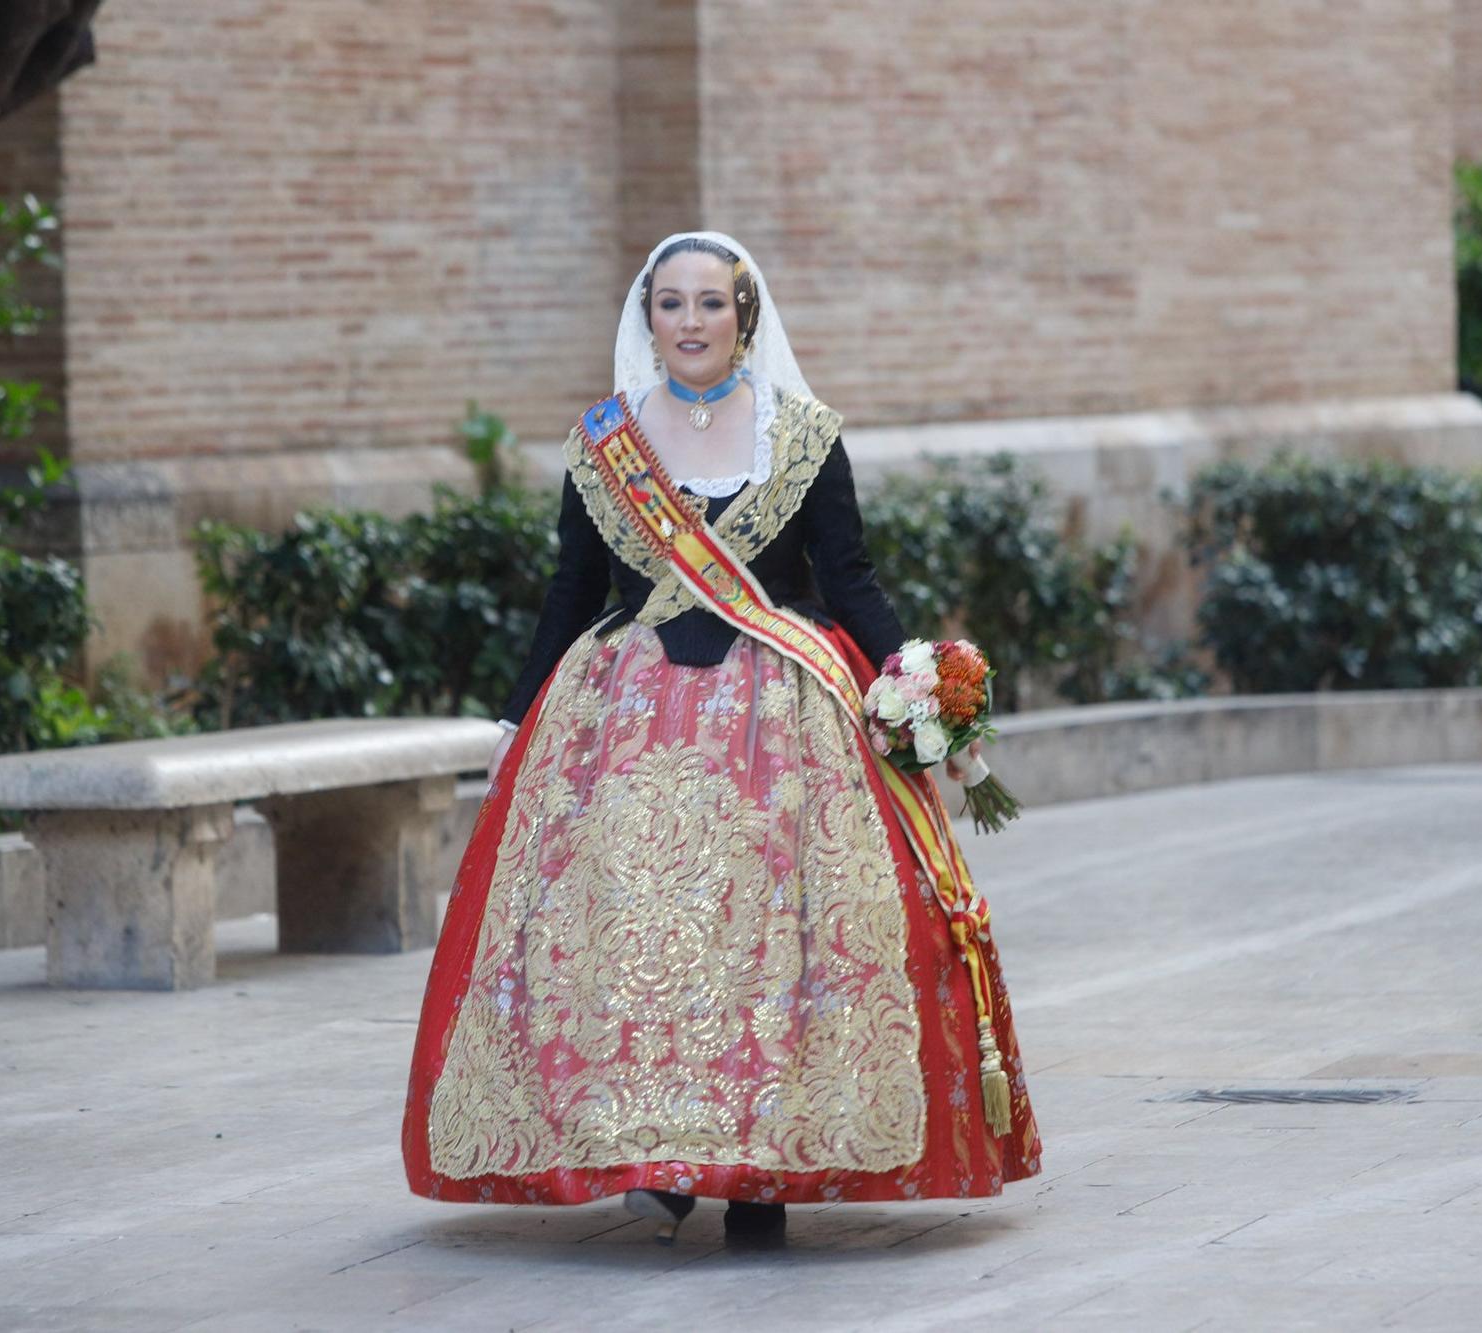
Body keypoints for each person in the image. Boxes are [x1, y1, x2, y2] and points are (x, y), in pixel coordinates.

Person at [401, 231, 1041, 1246]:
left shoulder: (804, 435)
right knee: (627, 936)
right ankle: (649, 1158)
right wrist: (518, 717)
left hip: (781, 716)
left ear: (743, 316)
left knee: (772, 939)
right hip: (620, 712)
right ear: (645, 316)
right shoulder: (602, 442)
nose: (690, 321)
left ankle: (761, 1180)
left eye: (709, 303)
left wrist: (916, 685)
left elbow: (849, 580)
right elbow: (568, 594)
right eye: (670, 303)